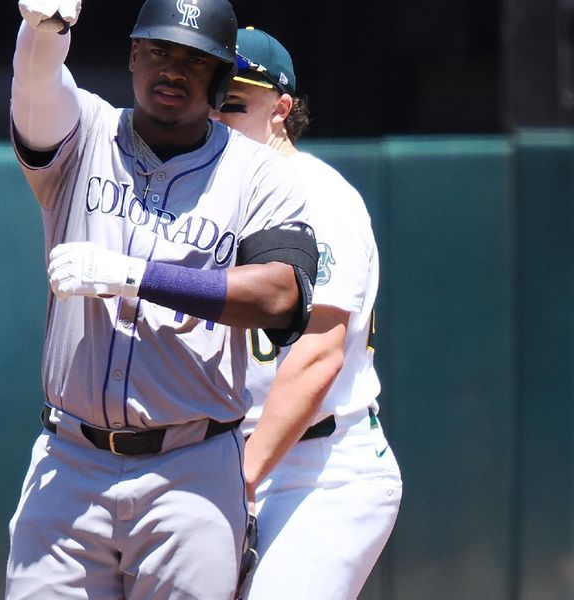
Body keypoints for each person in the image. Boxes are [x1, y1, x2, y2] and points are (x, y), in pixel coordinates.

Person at [5, 2, 319, 598]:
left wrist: (136, 275)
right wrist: (43, 30)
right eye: (159, 51)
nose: (172, 70)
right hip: (69, 461)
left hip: (190, 470)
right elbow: (36, 86)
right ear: (132, 55)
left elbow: (280, 294)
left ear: (221, 76)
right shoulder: (85, 133)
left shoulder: (258, 174)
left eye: (194, 61)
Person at [212, 27, 403, 599]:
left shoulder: (318, 198)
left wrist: (238, 479)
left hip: (322, 468)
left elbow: (319, 353)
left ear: (281, 108)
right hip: (225, 458)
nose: (217, 116)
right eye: (210, 100)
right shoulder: (210, 197)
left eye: (234, 103)